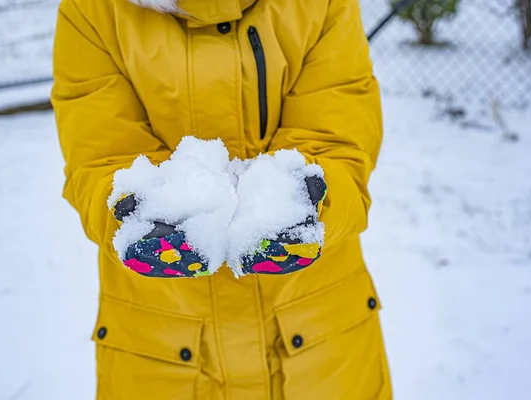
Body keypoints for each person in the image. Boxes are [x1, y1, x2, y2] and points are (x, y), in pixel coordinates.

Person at [51, 0, 392, 398]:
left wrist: (308, 202)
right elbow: (101, 155)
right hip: (160, 342)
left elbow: (337, 136)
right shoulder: (93, 10)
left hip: (319, 336)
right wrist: (136, 211)